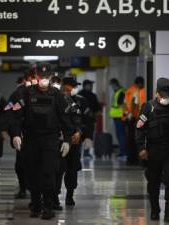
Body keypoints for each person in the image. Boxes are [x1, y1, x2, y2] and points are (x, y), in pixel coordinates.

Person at [9, 73, 74, 220]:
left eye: (47, 77)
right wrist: (15, 134)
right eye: (41, 77)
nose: (44, 81)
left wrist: (67, 140)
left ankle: (48, 207)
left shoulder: (57, 95)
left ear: (50, 78)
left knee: (49, 173)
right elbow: (15, 115)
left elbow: (65, 118)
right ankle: (36, 205)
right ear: (37, 78)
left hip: (50, 139)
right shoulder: (26, 93)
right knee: (32, 173)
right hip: (31, 139)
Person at [136, 78, 169, 223]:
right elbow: (139, 129)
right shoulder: (148, 107)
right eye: (163, 94)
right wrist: (141, 148)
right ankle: (155, 209)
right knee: (153, 182)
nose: (165, 97)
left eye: (167, 94)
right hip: (153, 151)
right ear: (157, 93)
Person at [54, 77, 92, 209]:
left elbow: (87, 120)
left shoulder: (81, 101)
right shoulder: (56, 99)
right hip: (59, 141)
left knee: (72, 169)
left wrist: (82, 134)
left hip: (75, 142)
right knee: (57, 169)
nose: (73, 88)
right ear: (64, 86)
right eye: (70, 86)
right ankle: (54, 197)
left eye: (74, 86)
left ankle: (70, 195)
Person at [3, 75, 28, 199]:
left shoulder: (48, 93)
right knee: (21, 164)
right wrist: (14, 133)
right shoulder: (18, 95)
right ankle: (23, 187)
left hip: (42, 135)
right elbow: (9, 110)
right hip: (23, 135)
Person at [124, 76, 146, 165]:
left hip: (130, 117)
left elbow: (125, 103)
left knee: (130, 139)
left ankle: (130, 159)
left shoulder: (129, 90)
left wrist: (127, 114)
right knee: (136, 139)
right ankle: (135, 159)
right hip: (136, 117)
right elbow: (134, 103)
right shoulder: (139, 91)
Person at [78, 79, 101, 158]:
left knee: (89, 136)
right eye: (90, 85)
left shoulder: (93, 95)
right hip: (81, 120)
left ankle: (86, 152)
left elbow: (97, 107)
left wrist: (97, 112)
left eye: (91, 85)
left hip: (90, 120)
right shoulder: (79, 95)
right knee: (80, 135)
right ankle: (79, 151)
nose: (91, 86)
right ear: (85, 85)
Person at [109, 78, 126, 157]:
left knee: (121, 134)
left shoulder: (121, 92)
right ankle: (122, 151)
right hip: (116, 116)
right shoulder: (117, 92)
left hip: (120, 116)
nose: (111, 87)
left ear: (115, 84)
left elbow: (120, 103)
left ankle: (123, 152)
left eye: (112, 85)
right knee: (119, 134)